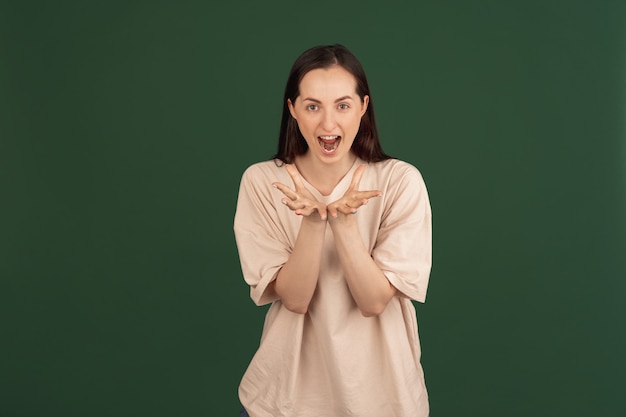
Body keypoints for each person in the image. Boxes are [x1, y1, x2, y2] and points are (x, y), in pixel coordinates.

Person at [233, 44, 432, 417]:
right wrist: (312, 222)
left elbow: (373, 301)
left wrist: (343, 223)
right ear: (292, 109)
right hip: (282, 402)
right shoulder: (262, 182)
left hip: (384, 403)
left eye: (342, 105)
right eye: (312, 106)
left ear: (363, 106)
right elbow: (295, 299)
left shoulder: (400, 181)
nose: (328, 124)